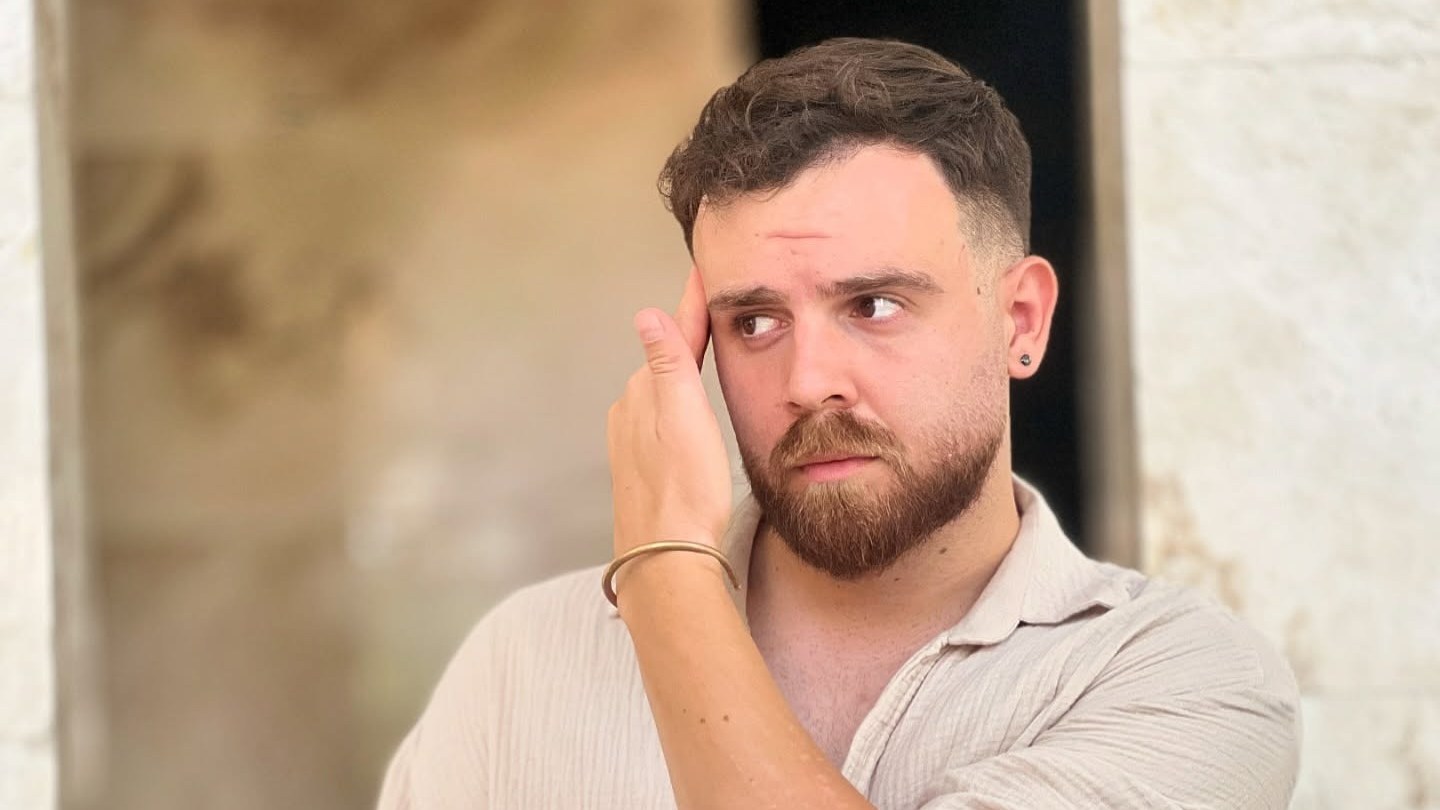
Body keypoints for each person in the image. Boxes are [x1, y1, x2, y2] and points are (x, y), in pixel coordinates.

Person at [377, 37, 1300, 809]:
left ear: (1019, 321)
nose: (807, 382)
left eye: (874, 306)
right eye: (755, 322)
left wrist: (662, 571)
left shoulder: (1185, 683)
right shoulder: (519, 667)